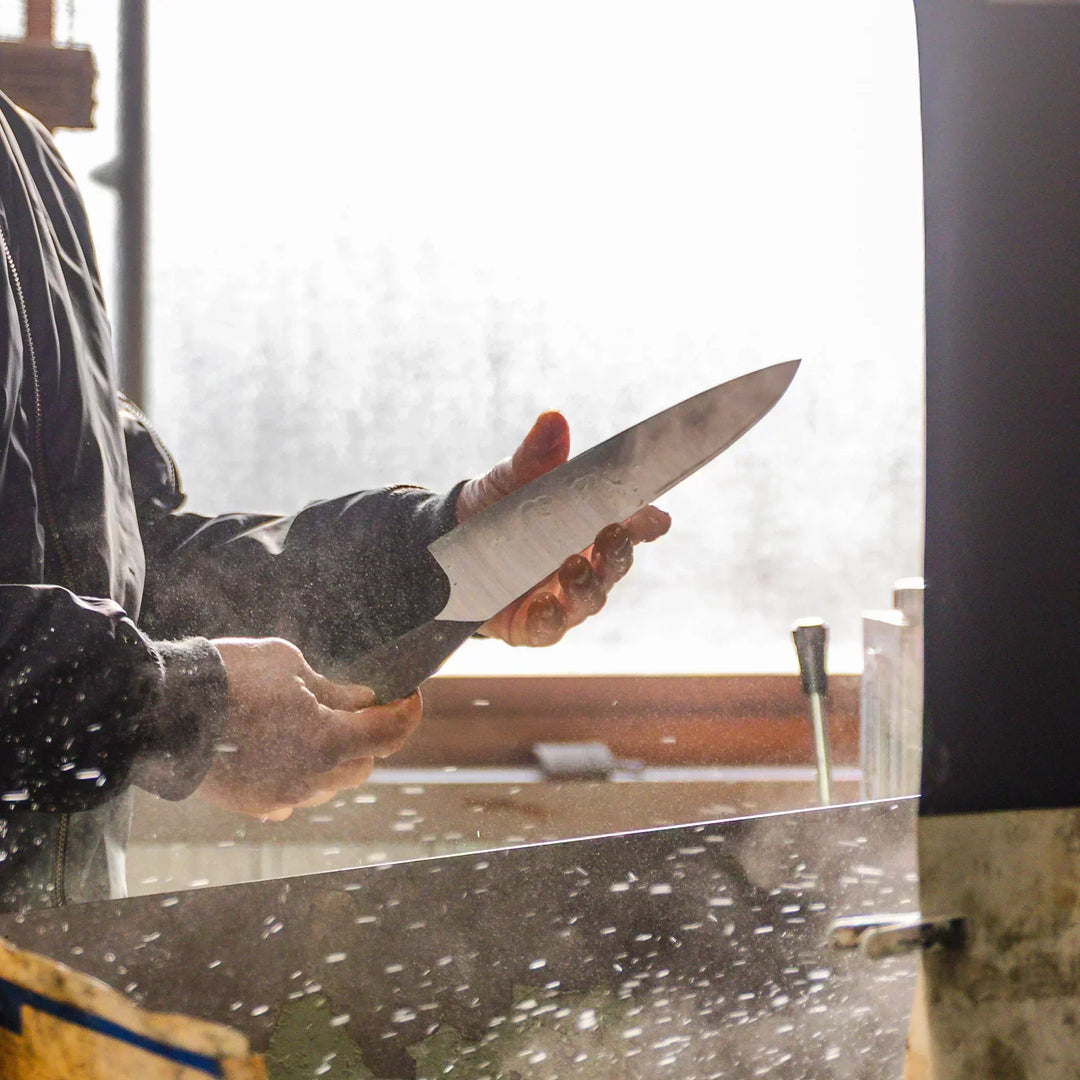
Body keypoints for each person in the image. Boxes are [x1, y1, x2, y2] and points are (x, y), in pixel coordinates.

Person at [0, 92, 669, 913]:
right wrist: (170, 702)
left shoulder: (28, 167)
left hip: (49, 961)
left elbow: (131, 578)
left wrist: (446, 555)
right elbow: (131, 657)